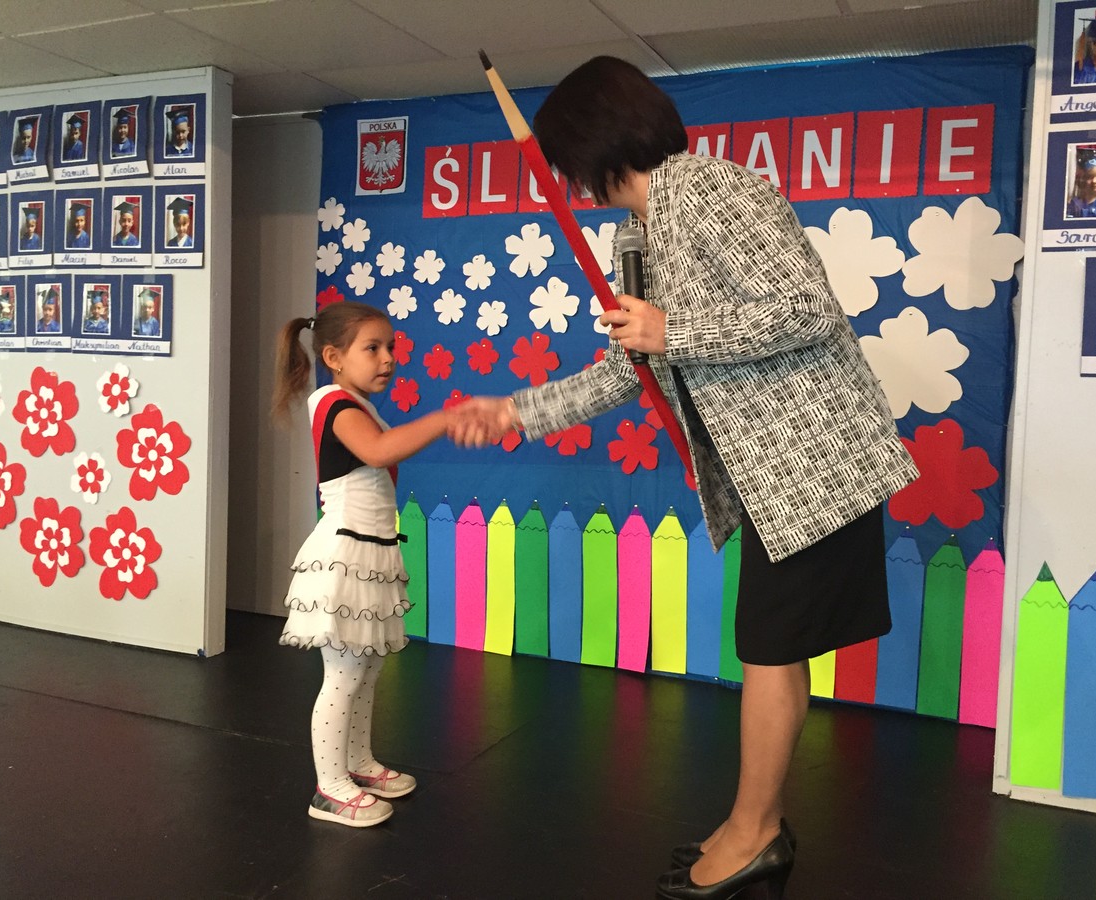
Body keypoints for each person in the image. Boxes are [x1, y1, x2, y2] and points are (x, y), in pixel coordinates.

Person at [449, 56, 918, 900]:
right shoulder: (637, 234)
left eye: (565, 159)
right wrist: (519, 410)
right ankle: (754, 824)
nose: (567, 179)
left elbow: (805, 309)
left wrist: (674, 329)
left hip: (811, 467)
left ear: (592, 142)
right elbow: (629, 365)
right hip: (771, 480)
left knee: (768, 649)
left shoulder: (706, 187)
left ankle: (755, 832)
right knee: (771, 648)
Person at [272, 300, 447, 828]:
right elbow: (379, 451)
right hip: (345, 555)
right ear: (333, 357)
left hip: (369, 552)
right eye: (373, 348)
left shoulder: (358, 405)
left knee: (366, 668)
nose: (388, 358)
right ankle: (329, 788)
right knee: (344, 674)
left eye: (391, 347)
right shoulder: (335, 404)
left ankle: (358, 764)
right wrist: (444, 418)